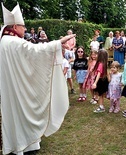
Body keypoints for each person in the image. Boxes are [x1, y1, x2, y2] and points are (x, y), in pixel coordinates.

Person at [0, 3, 75, 155]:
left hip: (9, 87)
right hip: (18, 89)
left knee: (12, 114)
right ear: (14, 26)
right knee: (22, 113)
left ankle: (15, 143)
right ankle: (25, 144)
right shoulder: (14, 42)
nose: (26, 29)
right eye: (23, 26)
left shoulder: (4, 41)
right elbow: (35, 51)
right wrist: (57, 43)